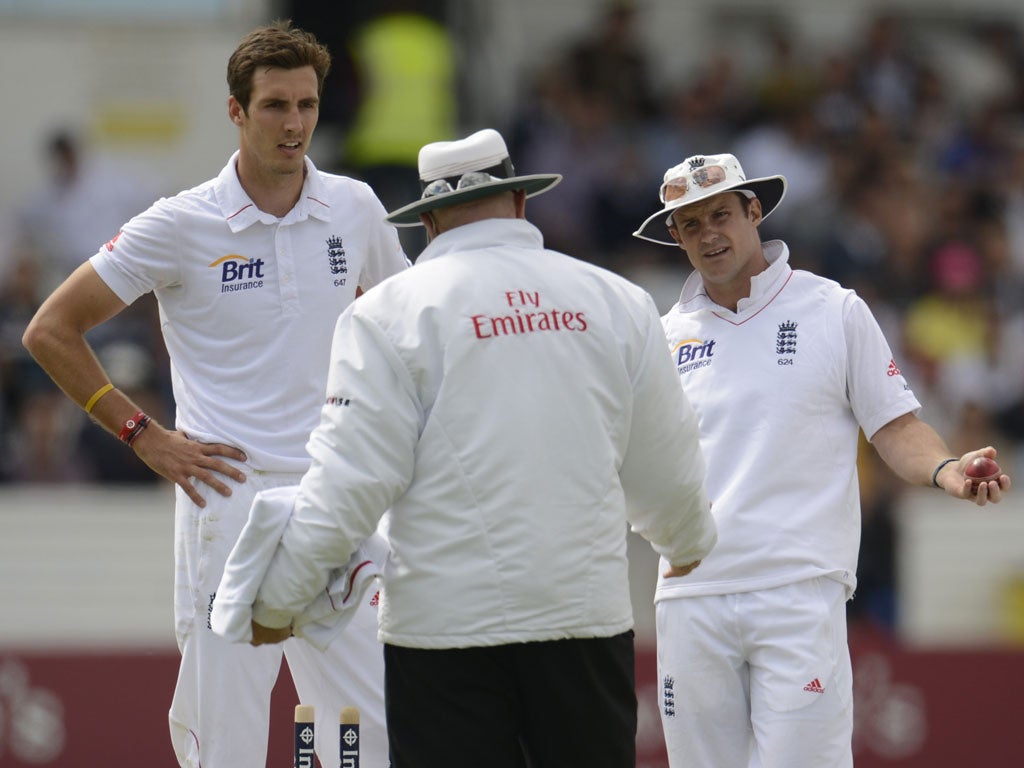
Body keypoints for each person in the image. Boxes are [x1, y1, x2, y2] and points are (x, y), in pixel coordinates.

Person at [215, 127, 718, 766]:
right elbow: (664, 460)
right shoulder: (616, 300)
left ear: (427, 222)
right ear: (519, 203)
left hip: (442, 634)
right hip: (583, 621)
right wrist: (686, 540)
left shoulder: (386, 313)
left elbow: (352, 480)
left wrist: (280, 598)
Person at [21, 21, 409, 768]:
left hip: (341, 498)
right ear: (236, 111)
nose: (293, 124)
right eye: (273, 106)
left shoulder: (356, 207)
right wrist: (145, 435)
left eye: (306, 104)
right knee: (225, 742)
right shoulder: (180, 223)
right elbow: (50, 329)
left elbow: (409, 335)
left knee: (370, 738)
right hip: (228, 502)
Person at [632, 152, 1012, 768]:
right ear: (675, 236)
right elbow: (635, 461)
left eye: (721, 214)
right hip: (690, 596)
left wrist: (947, 472)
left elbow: (896, 426)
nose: (709, 234)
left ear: (754, 211)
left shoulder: (833, 309)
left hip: (798, 590)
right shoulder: (660, 335)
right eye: (691, 224)